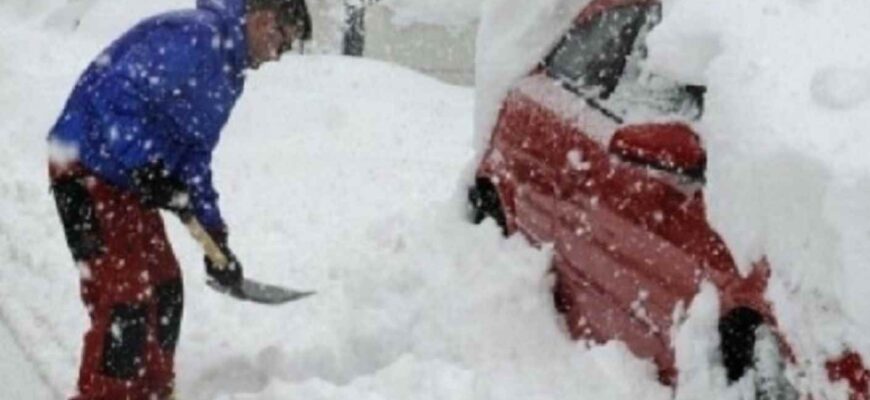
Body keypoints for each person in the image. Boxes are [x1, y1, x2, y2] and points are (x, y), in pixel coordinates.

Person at [46, 0, 311, 398]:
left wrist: (215, 236)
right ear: (263, 19)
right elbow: (115, 95)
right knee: (125, 304)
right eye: (283, 42)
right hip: (85, 167)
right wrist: (146, 165)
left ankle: (153, 393)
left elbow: (195, 155)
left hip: (127, 182)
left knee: (165, 289)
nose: (278, 55)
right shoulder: (196, 37)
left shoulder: (229, 73)